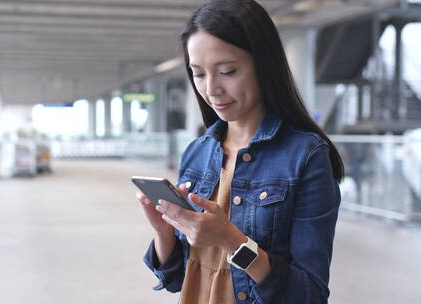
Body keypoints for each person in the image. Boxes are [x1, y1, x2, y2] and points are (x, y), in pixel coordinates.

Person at [135, 0, 345, 303]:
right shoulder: (197, 152)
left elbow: (309, 294)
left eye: (227, 71)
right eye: (199, 74)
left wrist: (231, 241)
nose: (211, 90)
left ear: (264, 65)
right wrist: (164, 231)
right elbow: (177, 278)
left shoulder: (305, 156)